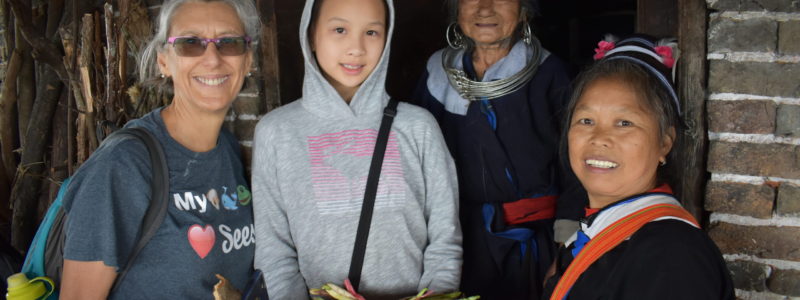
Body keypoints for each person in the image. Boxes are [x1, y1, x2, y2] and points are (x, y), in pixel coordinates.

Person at [251, 0, 462, 299]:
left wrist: (436, 295)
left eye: (372, 32)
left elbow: (444, 237)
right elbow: (274, 250)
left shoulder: (418, 127)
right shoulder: (276, 132)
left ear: (387, 38)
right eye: (339, 29)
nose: (356, 48)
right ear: (311, 34)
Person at [58, 0, 260, 298]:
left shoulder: (226, 148)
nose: (213, 58)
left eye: (228, 42)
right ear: (163, 61)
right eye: (190, 43)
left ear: (248, 60)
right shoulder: (124, 164)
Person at [413, 0, 585, 298]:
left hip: (535, 245)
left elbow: (578, 166)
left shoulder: (551, 75)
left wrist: (566, 249)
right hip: (455, 243)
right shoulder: (437, 73)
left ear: (524, 11)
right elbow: (412, 158)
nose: (484, 9)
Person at [541, 35, 734, 299]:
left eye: (624, 123)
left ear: (665, 143)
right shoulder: (588, 235)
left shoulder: (672, 254)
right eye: (586, 120)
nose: (599, 138)